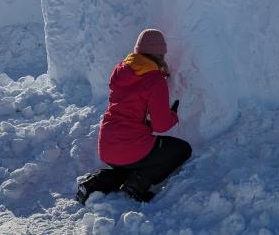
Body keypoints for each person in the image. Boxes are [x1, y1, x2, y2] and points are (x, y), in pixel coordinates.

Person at [75, 29, 192, 204]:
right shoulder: (155, 80)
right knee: (181, 150)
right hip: (131, 147)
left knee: (132, 165)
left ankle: (96, 183)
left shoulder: (120, 70)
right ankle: (137, 185)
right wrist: (173, 115)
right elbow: (161, 125)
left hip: (107, 146)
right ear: (160, 53)